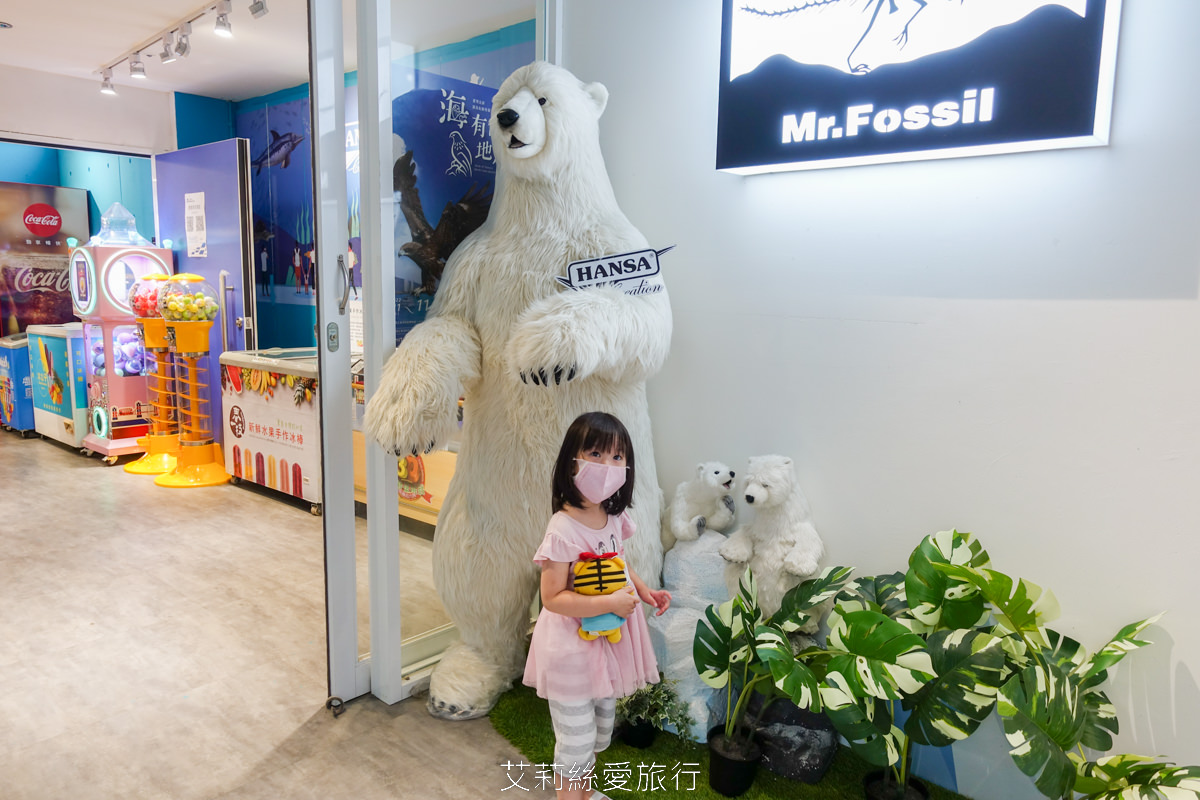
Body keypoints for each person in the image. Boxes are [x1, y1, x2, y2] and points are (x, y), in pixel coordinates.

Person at [523, 411, 671, 800]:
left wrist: (643, 592)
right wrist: (611, 601)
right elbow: (552, 598)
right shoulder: (562, 528)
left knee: (600, 729)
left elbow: (620, 564)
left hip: (605, 643)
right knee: (575, 743)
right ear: (572, 461)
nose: (608, 466)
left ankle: (585, 795)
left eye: (618, 457)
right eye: (596, 454)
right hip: (570, 651)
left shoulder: (612, 517)